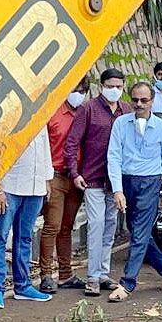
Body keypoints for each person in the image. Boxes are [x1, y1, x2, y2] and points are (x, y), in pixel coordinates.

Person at [107, 82, 162, 302]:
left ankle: (127, 283)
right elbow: (114, 157)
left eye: (144, 100)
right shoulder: (120, 124)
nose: (139, 104)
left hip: (150, 182)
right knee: (135, 230)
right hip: (127, 181)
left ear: (152, 101)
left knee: (139, 233)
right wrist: (117, 189)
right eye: (135, 100)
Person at [65, 68, 132, 296]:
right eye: (110, 86)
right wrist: (75, 172)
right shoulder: (88, 109)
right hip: (92, 178)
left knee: (110, 227)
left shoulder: (126, 110)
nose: (115, 90)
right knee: (96, 226)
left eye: (119, 87)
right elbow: (72, 142)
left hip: (116, 182)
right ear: (102, 86)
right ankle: (92, 277)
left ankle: (103, 273)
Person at [0, 129, 54, 309]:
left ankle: (23, 286)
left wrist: (47, 180)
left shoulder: (41, 115)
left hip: (35, 188)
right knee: (0, 236)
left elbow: (45, 149)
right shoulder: (10, 116)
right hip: (9, 187)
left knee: (25, 237)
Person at [39, 76, 90, 292]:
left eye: (82, 90)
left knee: (67, 227)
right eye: (74, 89)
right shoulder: (53, 113)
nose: (78, 94)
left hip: (76, 178)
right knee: (52, 226)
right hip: (55, 175)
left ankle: (65, 273)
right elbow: (42, 147)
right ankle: (46, 275)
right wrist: (45, 178)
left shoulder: (86, 113)